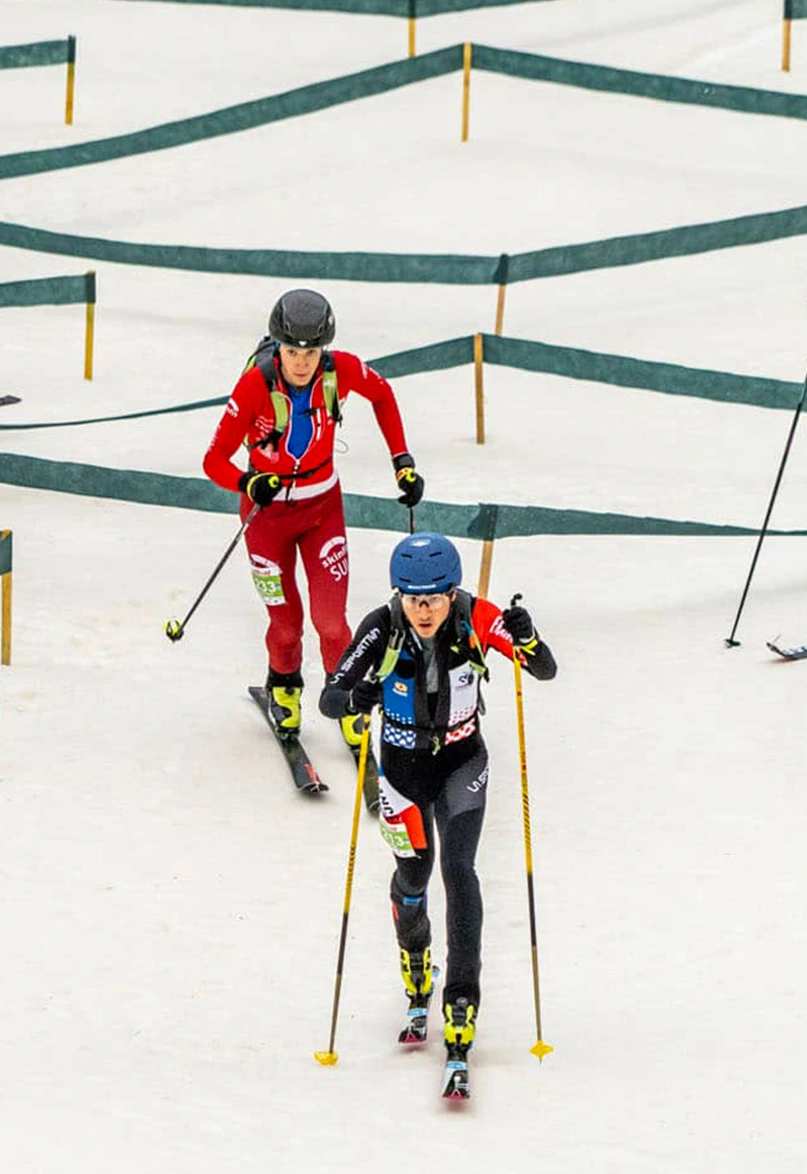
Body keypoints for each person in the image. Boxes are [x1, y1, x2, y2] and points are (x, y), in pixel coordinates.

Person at [318, 533, 557, 1066]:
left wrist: (529, 636)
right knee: (414, 875)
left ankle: (462, 997)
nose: (423, 610)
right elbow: (330, 698)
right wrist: (357, 696)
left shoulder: (477, 617)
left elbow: (543, 669)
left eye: (433, 598)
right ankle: (416, 955)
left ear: (453, 592)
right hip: (402, 770)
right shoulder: (381, 627)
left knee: (458, 868)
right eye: (412, 598)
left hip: (461, 761)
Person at [202, 289, 424, 751]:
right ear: (277, 347)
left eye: (310, 352)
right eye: (290, 352)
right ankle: (284, 688)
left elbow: (382, 395)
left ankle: (343, 698)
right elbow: (214, 460)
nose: (301, 362)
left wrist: (401, 459)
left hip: (322, 509)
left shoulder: (338, 369)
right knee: (285, 623)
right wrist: (248, 483)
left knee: (331, 622)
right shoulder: (255, 386)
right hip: (267, 519)